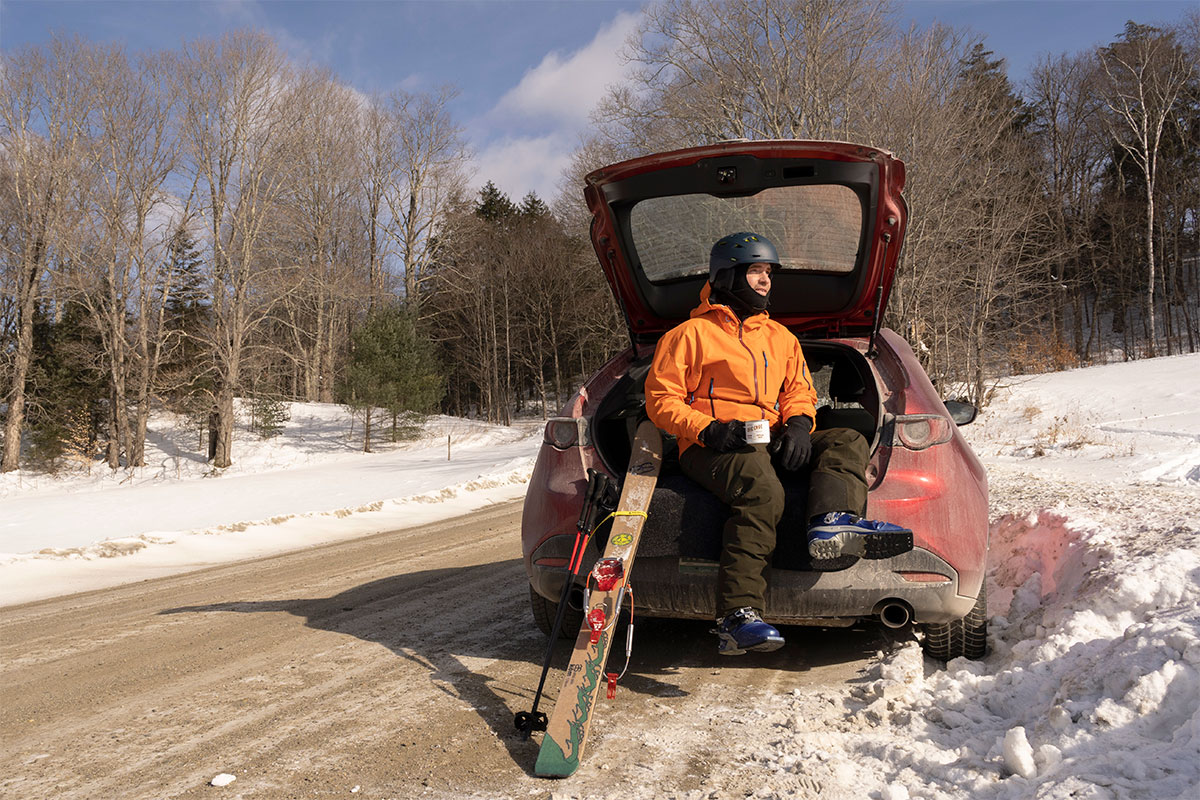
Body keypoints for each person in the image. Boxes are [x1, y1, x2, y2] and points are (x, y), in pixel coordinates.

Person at [644, 232, 912, 655]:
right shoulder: (689, 335)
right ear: (728, 276)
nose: (766, 281)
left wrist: (800, 426)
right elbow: (661, 400)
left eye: (768, 272)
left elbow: (799, 391)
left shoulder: (781, 338)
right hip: (709, 443)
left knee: (844, 437)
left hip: (765, 434)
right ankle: (737, 616)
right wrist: (707, 428)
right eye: (756, 271)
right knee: (762, 491)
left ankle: (833, 520)